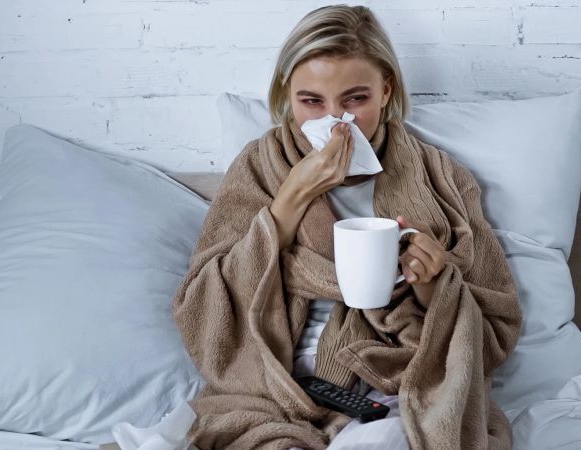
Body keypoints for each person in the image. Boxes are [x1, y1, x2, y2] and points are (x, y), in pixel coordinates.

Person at [172, 4, 523, 450]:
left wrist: (434, 284)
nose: (335, 121)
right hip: (274, 383)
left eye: (355, 99)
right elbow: (203, 308)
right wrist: (290, 200)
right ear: (286, 94)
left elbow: (495, 327)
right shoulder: (260, 167)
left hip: (394, 380)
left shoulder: (440, 177)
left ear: (386, 91)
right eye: (311, 101)